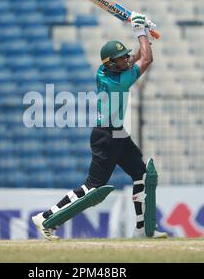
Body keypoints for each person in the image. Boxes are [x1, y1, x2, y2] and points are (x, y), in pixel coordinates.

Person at [32, 12, 167, 240]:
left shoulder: (105, 71)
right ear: (112, 64)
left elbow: (135, 59)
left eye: (125, 57)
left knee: (142, 176)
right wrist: (140, 32)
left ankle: (143, 230)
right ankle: (45, 218)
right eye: (121, 58)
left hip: (118, 135)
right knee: (92, 189)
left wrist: (145, 39)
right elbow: (145, 60)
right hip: (106, 137)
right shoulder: (116, 82)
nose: (126, 59)